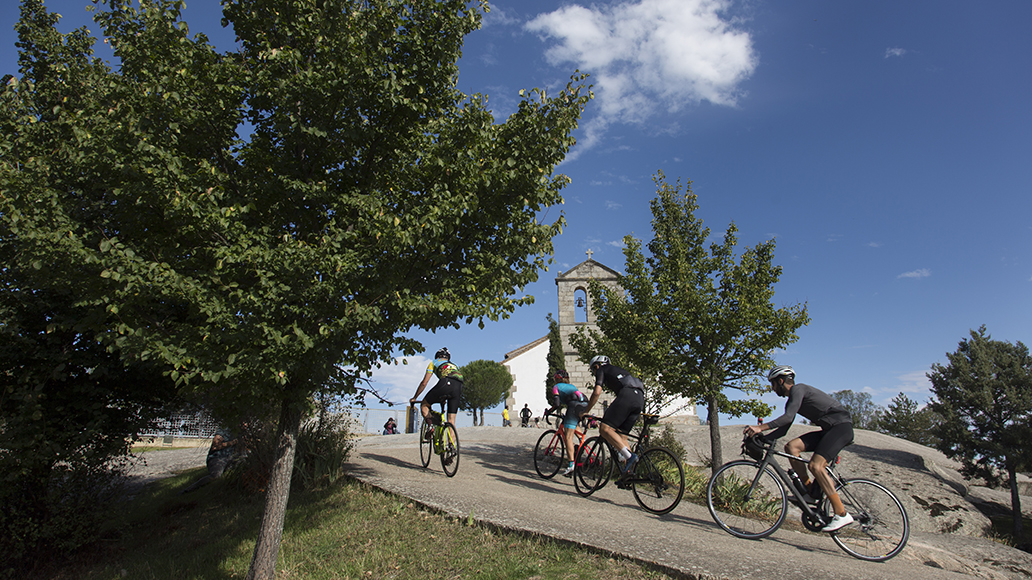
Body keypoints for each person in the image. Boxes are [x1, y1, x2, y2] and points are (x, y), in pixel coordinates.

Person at [744, 365, 856, 533]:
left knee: (816, 466)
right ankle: (810, 491)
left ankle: (841, 513)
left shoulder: (799, 389)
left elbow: (787, 417)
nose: (773, 389)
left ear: (781, 381)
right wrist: (763, 438)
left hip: (840, 428)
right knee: (792, 447)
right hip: (829, 430)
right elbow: (784, 428)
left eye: (773, 384)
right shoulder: (793, 399)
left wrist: (761, 428)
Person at [582, 355, 645, 482]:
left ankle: (629, 456)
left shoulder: (601, 370)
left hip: (627, 395)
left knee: (604, 429)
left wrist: (586, 411)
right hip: (640, 398)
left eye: (593, 370)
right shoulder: (619, 370)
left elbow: (597, 392)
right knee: (622, 437)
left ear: (596, 366)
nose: (594, 373)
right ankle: (628, 474)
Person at [543, 370, 590, 476]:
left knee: (568, 437)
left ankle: (571, 465)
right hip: (585, 403)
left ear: (557, 379)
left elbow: (557, 403)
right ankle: (583, 449)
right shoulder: (572, 386)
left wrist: (549, 411)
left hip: (574, 405)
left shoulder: (556, 387)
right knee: (575, 429)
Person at [410, 347, 463, 439]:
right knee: (451, 421)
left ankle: (430, 426)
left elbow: (424, 383)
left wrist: (415, 397)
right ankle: (452, 448)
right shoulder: (455, 365)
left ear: (437, 357)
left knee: (424, 405)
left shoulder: (434, 362)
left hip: (445, 383)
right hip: (458, 386)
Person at [181, 425, 247, 494]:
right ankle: (188, 490)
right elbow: (215, 446)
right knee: (215, 476)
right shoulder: (224, 429)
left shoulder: (242, 433)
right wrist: (232, 443)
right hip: (218, 457)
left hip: (231, 459)